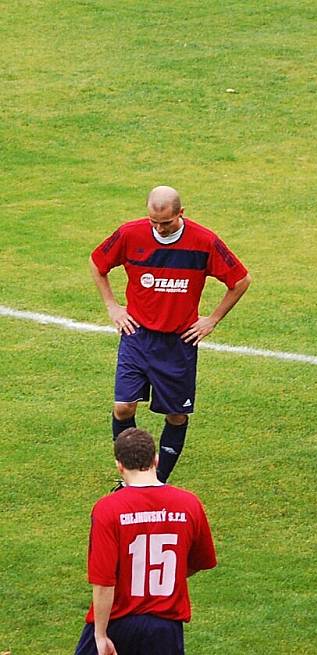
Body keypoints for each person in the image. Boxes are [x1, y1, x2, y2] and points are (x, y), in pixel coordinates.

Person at [90, 185, 251, 483]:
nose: (159, 229)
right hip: (137, 336)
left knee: (176, 416)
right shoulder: (129, 234)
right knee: (123, 407)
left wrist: (212, 320)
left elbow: (240, 280)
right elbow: (97, 263)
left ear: (181, 214)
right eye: (154, 222)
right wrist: (112, 306)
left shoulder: (204, 241)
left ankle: (156, 482)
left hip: (178, 343)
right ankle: (132, 481)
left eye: (165, 222)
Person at [75, 428, 217, 655]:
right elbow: (201, 560)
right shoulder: (189, 504)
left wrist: (100, 635)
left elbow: (104, 581)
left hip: (117, 622)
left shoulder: (108, 509)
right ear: (156, 460)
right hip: (165, 629)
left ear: (119, 465)